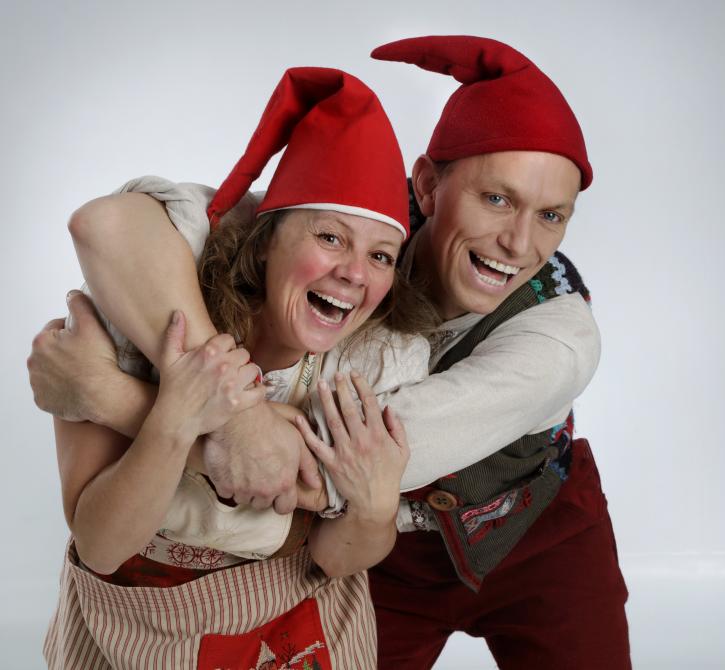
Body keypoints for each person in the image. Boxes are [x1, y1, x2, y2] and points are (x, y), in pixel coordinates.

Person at [29, 36, 632, 668]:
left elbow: (296, 464)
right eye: (497, 199)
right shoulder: (358, 210)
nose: (518, 243)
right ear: (427, 185)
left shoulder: (558, 339)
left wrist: (107, 394)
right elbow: (126, 225)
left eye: (552, 216)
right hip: (372, 556)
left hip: (530, 540)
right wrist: (225, 401)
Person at [39, 67, 434, 670]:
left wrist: (375, 511)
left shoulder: (376, 364)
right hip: (133, 622)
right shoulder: (136, 321)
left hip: (300, 616)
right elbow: (100, 546)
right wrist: (181, 417)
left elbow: (337, 557)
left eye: (381, 255)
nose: (356, 273)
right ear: (266, 239)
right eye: (331, 238)